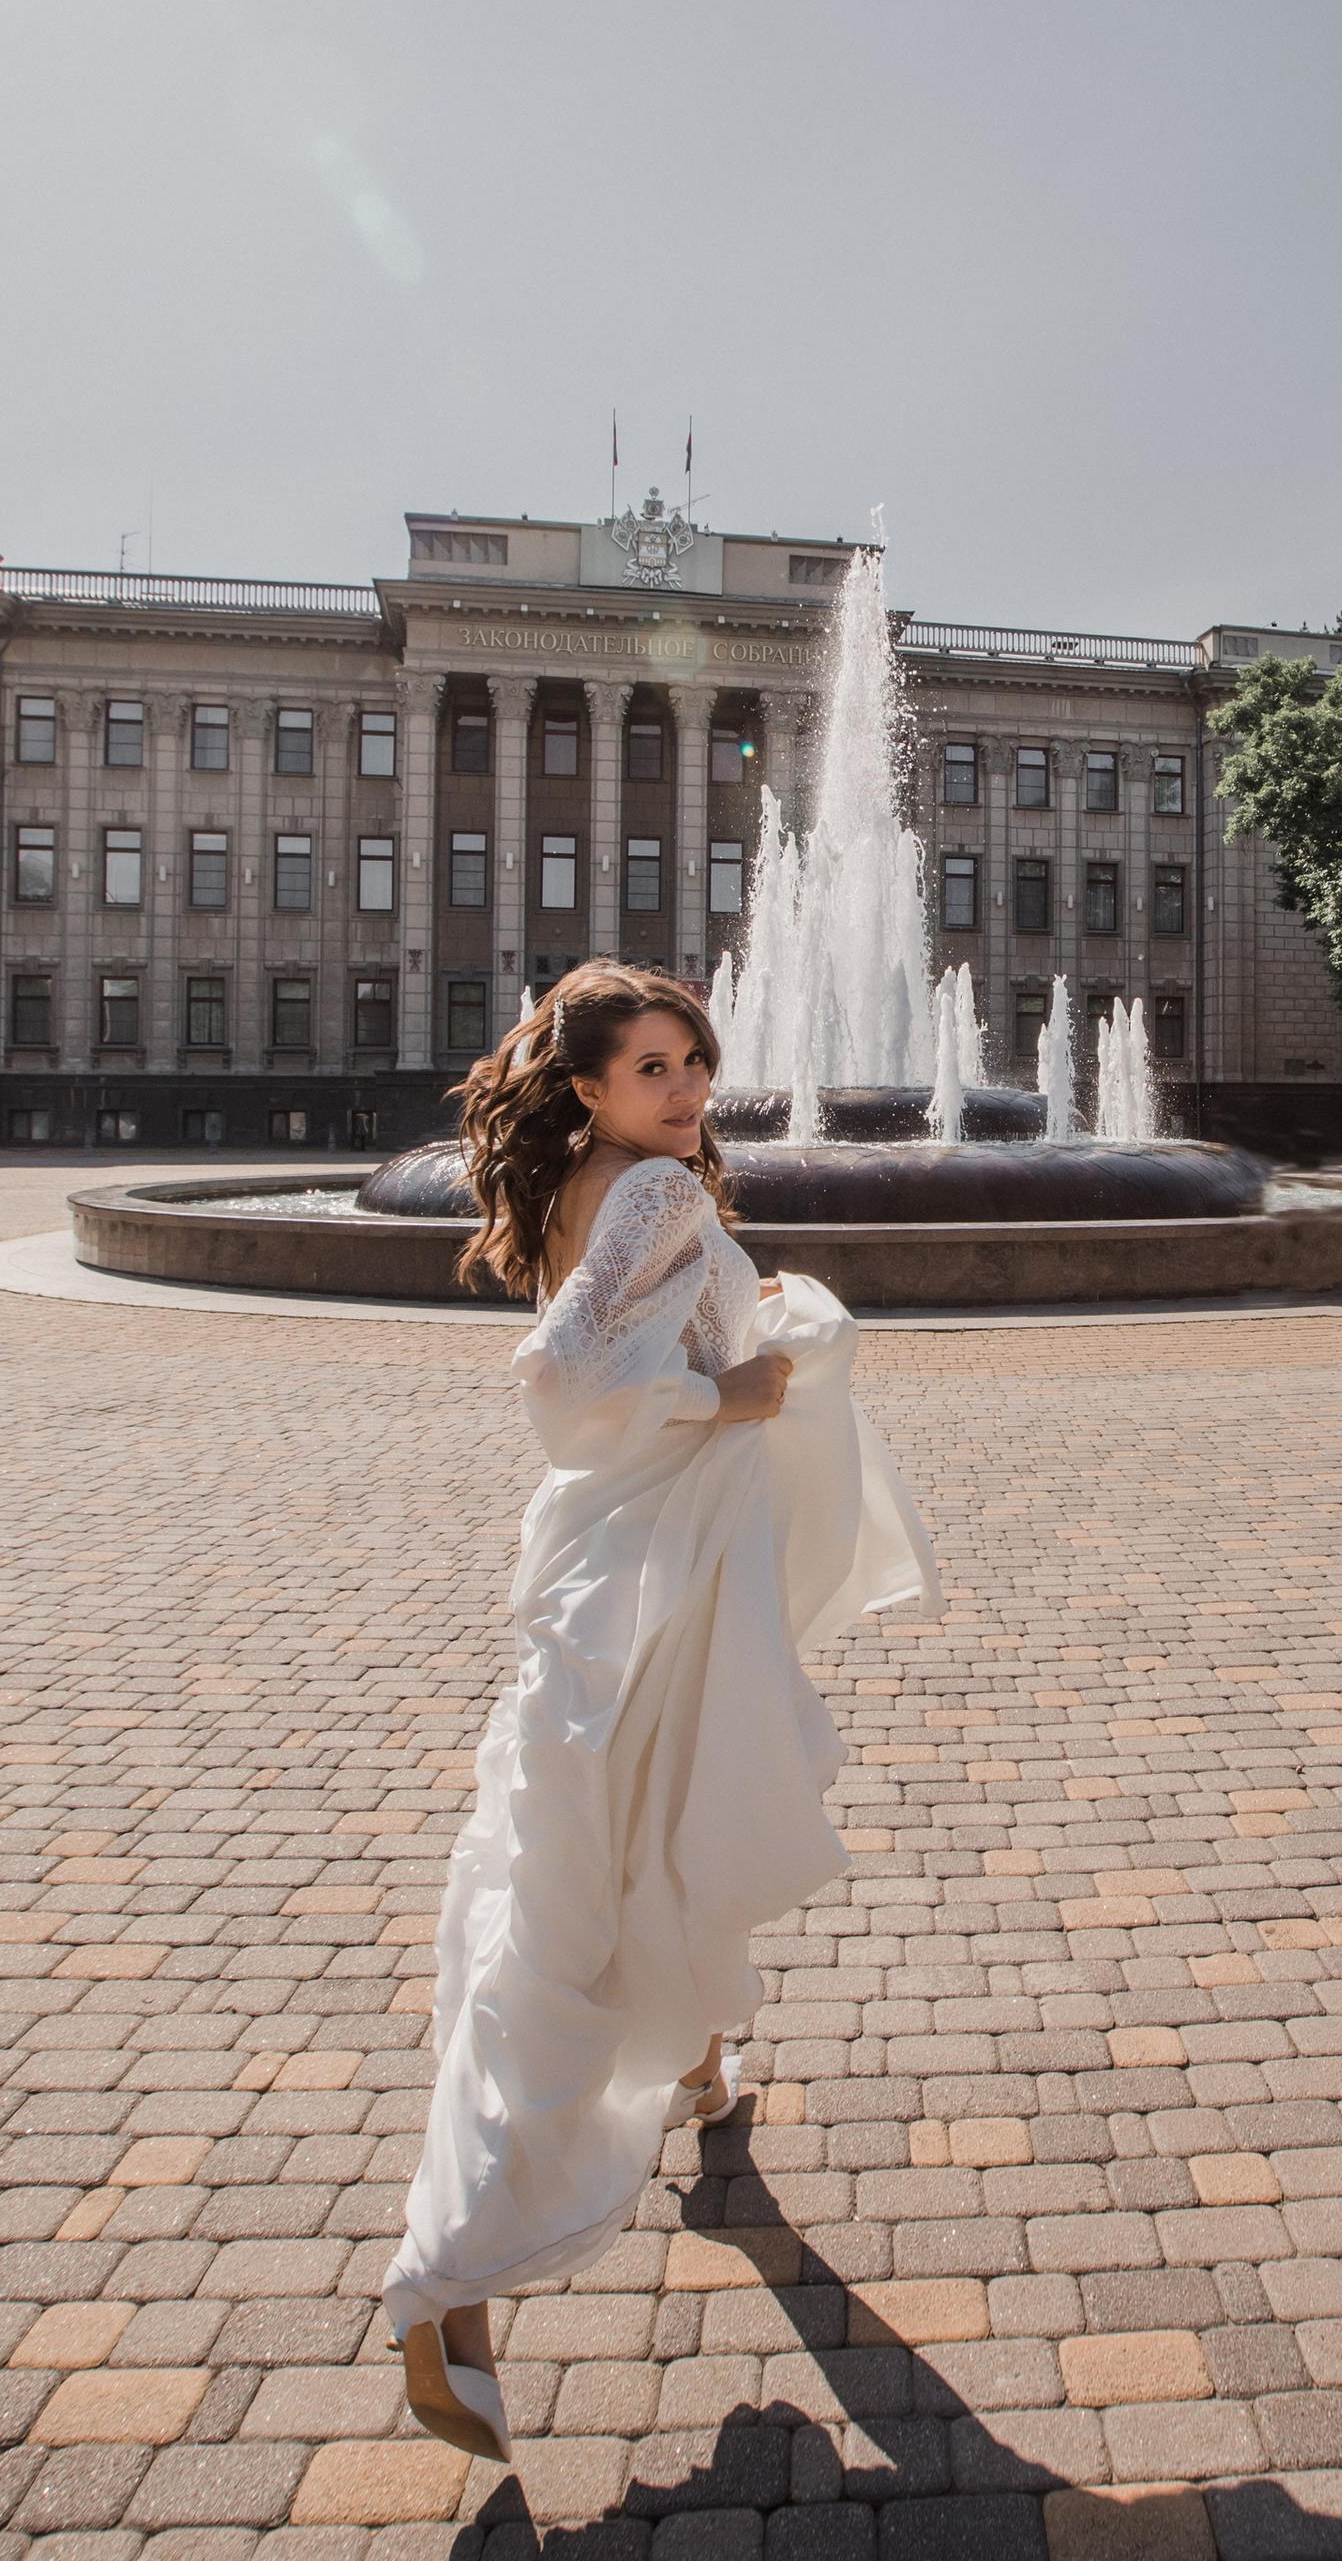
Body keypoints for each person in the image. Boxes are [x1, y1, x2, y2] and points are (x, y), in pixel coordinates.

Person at [385, 962, 936, 2463]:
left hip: (617, 1553)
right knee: (624, 1862)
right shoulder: (654, 1192)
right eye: (651, 1068)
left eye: (694, 1060)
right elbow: (567, 1375)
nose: (687, 1090)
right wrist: (730, 1395)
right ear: (590, 1088)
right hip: (661, 1563)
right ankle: (450, 2275)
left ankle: (694, 2066)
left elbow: (626, 1336)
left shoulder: (593, 1181)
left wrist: (741, 1330)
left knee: (616, 1833)